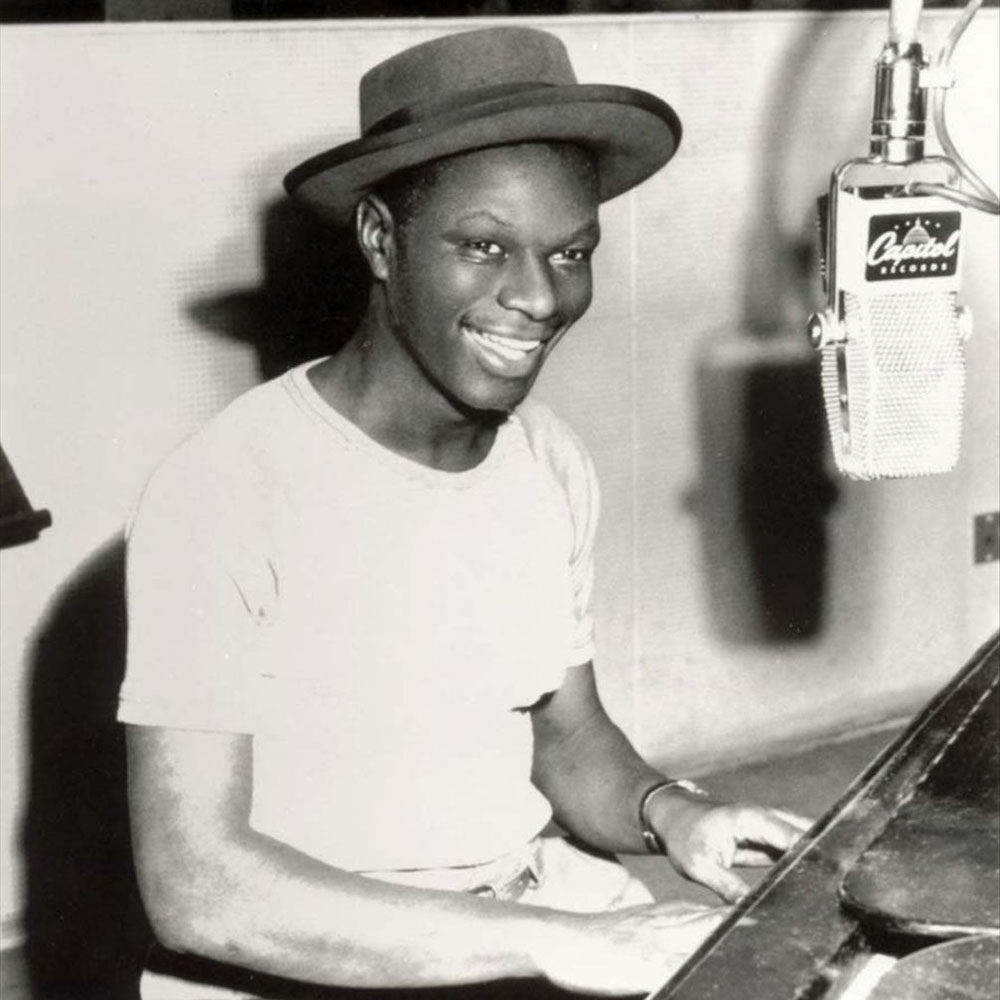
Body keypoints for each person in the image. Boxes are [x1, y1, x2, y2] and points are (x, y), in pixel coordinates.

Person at [119, 25, 810, 1000]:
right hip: (311, 960)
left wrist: (672, 810)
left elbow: (568, 740)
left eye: (570, 253)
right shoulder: (224, 490)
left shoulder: (549, 462)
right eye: (484, 246)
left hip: (525, 904)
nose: (537, 297)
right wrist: (554, 943)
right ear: (379, 239)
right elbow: (198, 891)